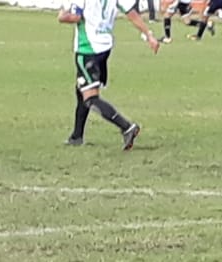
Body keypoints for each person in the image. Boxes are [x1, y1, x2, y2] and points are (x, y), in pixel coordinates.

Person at [58, 0, 160, 150]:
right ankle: (76, 136)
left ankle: (127, 127)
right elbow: (131, 13)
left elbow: (75, 17)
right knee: (82, 89)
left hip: (88, 48)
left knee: (90, 98)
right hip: (104, 47)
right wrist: (148, 35)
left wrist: (62, 15)